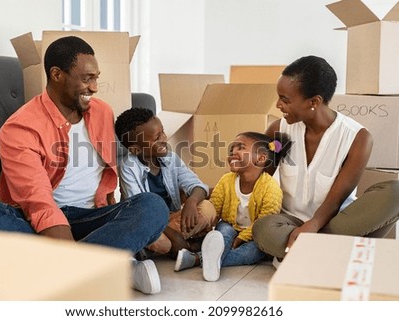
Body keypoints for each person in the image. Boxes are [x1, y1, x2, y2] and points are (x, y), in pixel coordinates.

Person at [0, 36, 169, 295]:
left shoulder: (102, 112)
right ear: (57, 74)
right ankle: (102, 269)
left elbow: (120, 170)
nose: (94, 87)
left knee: (152, 207)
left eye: (96, 78)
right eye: (86, 79)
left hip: (91, 217)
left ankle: (60, 273)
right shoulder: (20, 127)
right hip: (36, 223)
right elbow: (38, 202)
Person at [252, 55, 399, 264]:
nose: (278, 105)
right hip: (288, 223)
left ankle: (306, 255)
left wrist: (313, 225)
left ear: (314, 102)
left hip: (336, 221)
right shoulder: (278, 130)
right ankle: (337, 254)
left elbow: (337, 199)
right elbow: (258, 181)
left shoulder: (358, 138)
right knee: (263, 229)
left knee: (395, 192)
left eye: (285, 99)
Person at [174, 131, 291, 281]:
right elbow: (214, 209)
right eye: (231, 150)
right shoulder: (226, 180)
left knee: (253, 253)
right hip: (229, 226)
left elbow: (263, 222)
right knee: (224, 233)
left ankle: (197, 259)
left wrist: (241, 238)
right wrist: (203, 231)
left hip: (253, 235)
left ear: (261, 159)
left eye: (240, 148)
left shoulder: (271, 188)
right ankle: (210, 256)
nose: (233, 153)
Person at [115, 107, 217, 262]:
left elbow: (197, 185)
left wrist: (191, 201)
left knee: (207, 208)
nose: (164, 138)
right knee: (149, 234)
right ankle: (191, 249)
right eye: (157, 138)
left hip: (171, 219)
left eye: (162, 131)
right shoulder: (128, 168)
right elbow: (140, 212)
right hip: (147, 221)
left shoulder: (171, 158)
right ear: (136, 149)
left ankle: (177, 249)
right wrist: (174, 235)